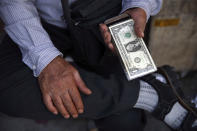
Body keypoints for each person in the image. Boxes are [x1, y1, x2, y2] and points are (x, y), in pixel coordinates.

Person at [0, 0, 196, 131]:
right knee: (7, 91)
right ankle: (151, 94)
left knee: (123, 124)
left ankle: (131, 94)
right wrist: (46, 60)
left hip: (109, 20)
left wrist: (139, 5)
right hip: (39, 24)